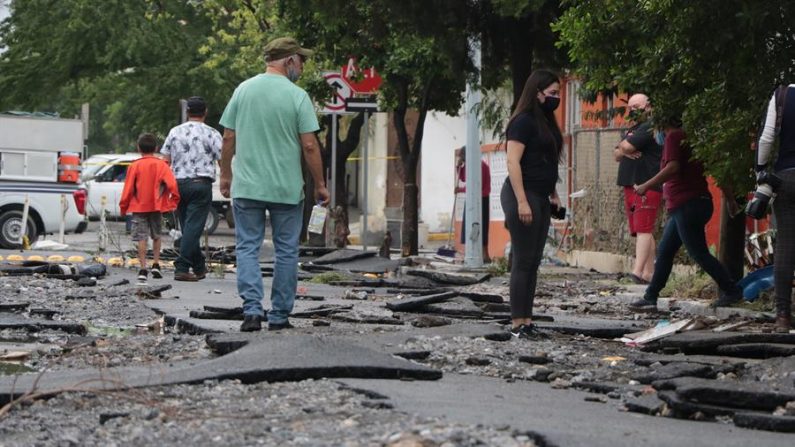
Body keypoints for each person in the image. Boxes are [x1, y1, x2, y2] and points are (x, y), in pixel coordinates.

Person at [219, 37, 329, 332]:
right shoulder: (297, 96)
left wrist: (225, 174)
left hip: (248, 187)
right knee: (286, 250)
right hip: (286, 189)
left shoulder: (243, 90)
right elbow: (309, 146)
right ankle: (280, 316)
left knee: (247, 247)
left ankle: (252, 312)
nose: (303, 67)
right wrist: (320, 183)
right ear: (289, 60)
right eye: (301, 60)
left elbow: (228, 137)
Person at [631, 123, 742, 310]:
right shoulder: (693, 139)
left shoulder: (674, 137)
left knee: (698, 253)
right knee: (665, 251)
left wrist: (646, 185)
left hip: (687, 203)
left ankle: (732, 290)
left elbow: (673, 167)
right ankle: (651, 296)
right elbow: (715, 169)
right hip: (692, 203)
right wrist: (730, 199)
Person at [500, 69, 563, 339]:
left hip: (540, 195)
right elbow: (513, 161)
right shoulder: (522, 122)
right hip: (520, 195)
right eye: (553, 93)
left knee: (534, 261)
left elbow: (547, 162)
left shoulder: (546, 123)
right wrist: (522, 201)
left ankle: (527, 320)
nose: (556, 98)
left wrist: (554, 194)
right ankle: (517, 323)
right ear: (537, 92)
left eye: (558, 93)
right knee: (523, 261)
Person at [161, 96, 222, 281]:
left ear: (187, 112)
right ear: (205, 112)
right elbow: (222, 159)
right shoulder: (212, 133)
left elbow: (165, 160)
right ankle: (181, 266)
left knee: (189, 228)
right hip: (200, 185)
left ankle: (199, 267)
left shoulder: (174, 132)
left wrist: (164, 186)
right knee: (193, 228)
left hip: (178, 184)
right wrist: (227, 180)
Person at [756, 84, 795, 333]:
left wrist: (760, 169)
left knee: (786, 244)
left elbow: (767, 136)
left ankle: (782, 315)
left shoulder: (782, 95)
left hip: (787, 178)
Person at [614, 94, 663, 284]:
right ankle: (649, 273)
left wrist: (625, 147)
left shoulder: (649, 127)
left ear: (648, 106)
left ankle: (637, 271)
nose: (633, 110)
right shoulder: (635, 128)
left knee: (644, 228)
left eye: (637, 106)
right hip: (631, 183)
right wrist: (624, 148)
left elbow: (625, 147)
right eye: (631, 107)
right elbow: (618, 153)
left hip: (645, 184)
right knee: (641, 230)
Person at [119, 133, 180, 282]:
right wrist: (172, 203)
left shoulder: (134, 166)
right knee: (156, 235)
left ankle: (143, 269)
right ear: (156, 148)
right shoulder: (162, 165)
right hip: (157, 206)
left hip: (139, 207)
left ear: (138, 147)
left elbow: (128, 190)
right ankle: (156, 264)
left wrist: (123, 208)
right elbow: (172, 185)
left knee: (142, 237)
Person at [455, 147, 492, 263]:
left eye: (463, 158)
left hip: (480, 198)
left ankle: (483, 254)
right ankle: (470, 252)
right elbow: (463, 178)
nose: (462, 160)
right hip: (473, 197)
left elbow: (475, 185)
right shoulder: (471, 165)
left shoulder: (479, 166)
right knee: (468, 225)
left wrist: (461, 190)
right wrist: (459, 167)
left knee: (479, 226)